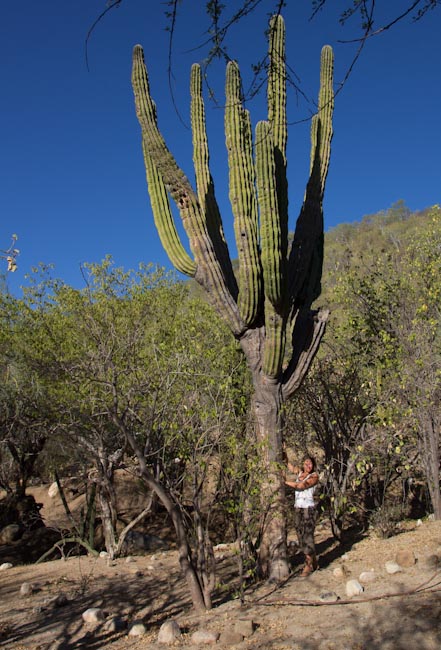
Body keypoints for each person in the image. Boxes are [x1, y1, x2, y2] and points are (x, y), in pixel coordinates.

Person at [285, 455, 319, 577]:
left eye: (310, 463)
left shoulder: (314, 477)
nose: (308, 466)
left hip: (308, 509)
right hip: (298, 508)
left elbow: (301, 486)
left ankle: (308, 565)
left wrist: (285, 482)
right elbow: (289, 466)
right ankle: (313, 560)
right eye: (306, 463)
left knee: (307, 536)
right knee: (300, 535)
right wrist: (284, 453)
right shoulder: (300, 473)